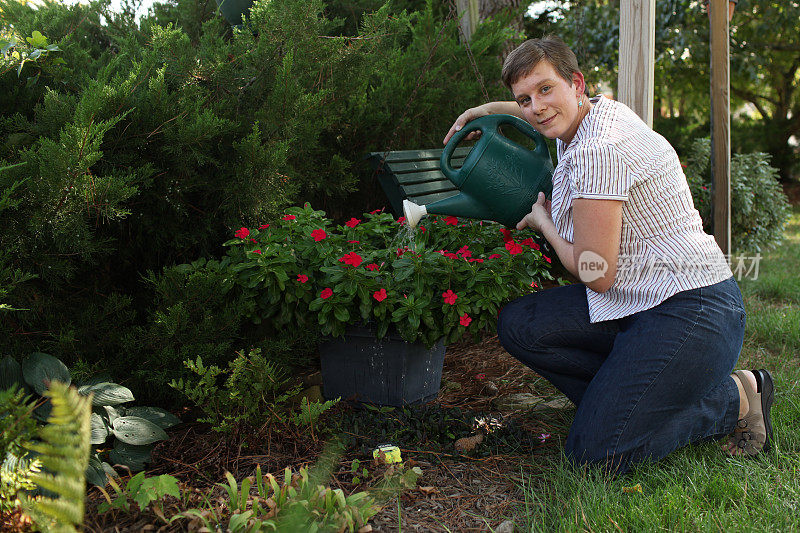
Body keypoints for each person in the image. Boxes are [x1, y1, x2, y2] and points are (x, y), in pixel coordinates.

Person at [443, 35, 774, 474]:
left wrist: (542, 222)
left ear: (576, 84)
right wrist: (486, 111)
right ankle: (623, 407)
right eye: (523, 99)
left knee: (595, 456)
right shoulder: (589, 116)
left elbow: (594, 272)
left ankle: (732, 398)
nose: (535, 108)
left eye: (545, 90)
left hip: (694, 310)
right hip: (636, 299)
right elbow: (544, 109)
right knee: (521, 325)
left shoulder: (601, 150)